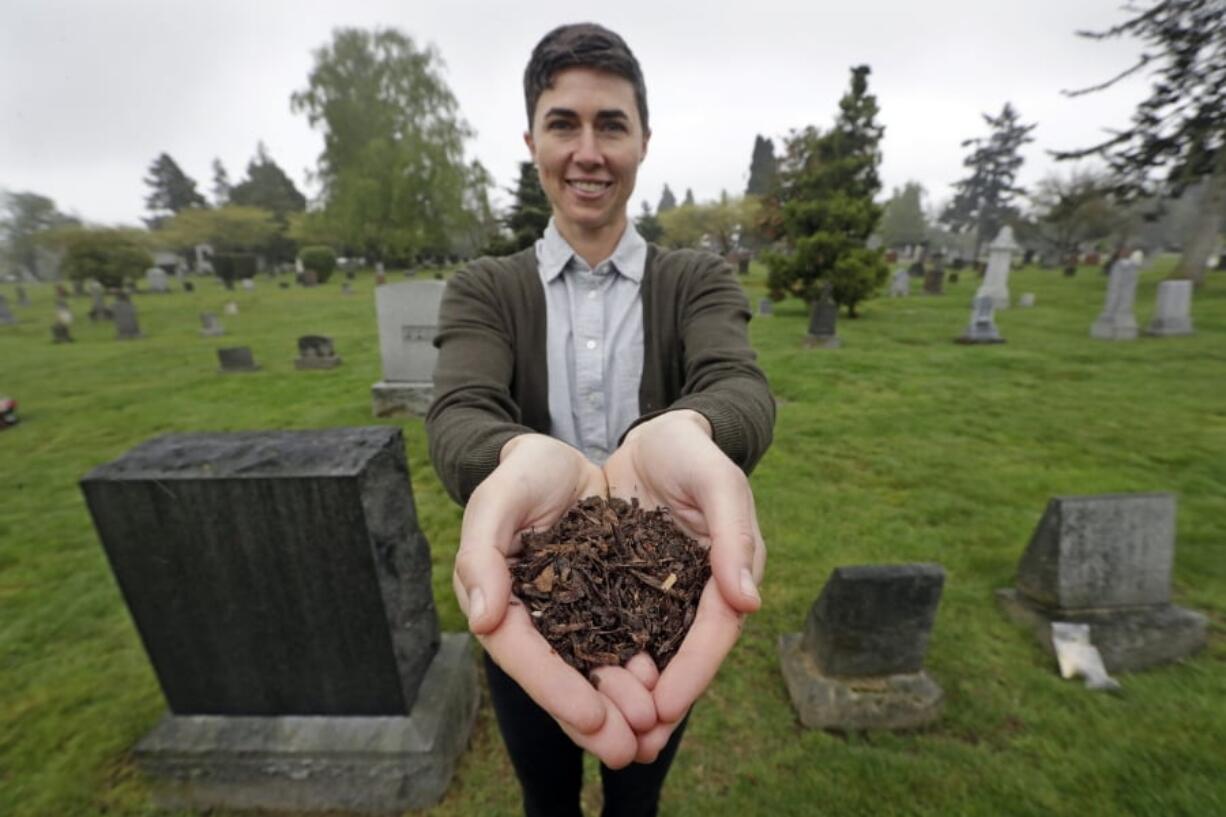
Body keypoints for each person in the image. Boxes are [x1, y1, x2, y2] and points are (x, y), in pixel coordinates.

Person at [426, 22, 774, 817]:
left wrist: (687, 432)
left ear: (644, 140)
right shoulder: (485, 287)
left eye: (611, 124)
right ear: (531, 140)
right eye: (564, 124)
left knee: (637, 791)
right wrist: (515, 459)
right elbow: (460, 411)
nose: (589, 151)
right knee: (544, 795)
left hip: (663, 604)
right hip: (528, 587)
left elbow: (736, 383)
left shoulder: (695, 278)